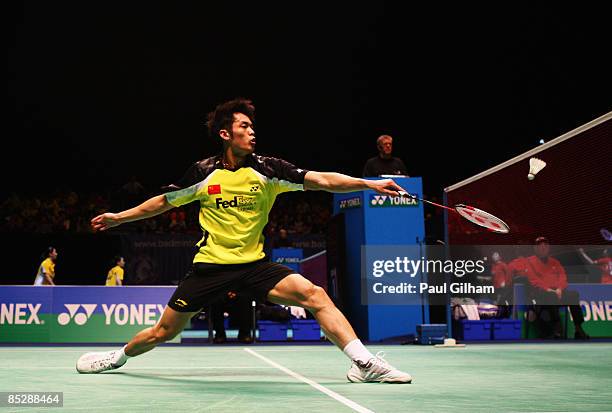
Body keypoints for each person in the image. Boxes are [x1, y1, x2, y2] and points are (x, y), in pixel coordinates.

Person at [76, 98, 412, 383]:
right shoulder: (203, 173)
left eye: (253, 127)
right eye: (245, 127)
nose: (253, 132)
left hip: (254, 267)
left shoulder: (268, 170)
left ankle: (363, 363)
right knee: (163, 332)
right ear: (226, 134)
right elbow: (164, 202)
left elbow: (321, 179)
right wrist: (120, 217)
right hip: (210, 269)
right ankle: (117, 357)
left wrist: (369, 184)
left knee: (315, 295)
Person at [526, 236, 589, 339]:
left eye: (545, 246)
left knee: (573, 294)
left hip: (557, 292)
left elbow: (563, 277)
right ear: (535, 248)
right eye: (540, 246)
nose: (543, 248)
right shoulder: (530, 262)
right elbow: (533, 280)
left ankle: (578, 329)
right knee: (550, 296)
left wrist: (559, 288)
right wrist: (548, 289)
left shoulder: (555, 262)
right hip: (541, 294)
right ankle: (558, 329)